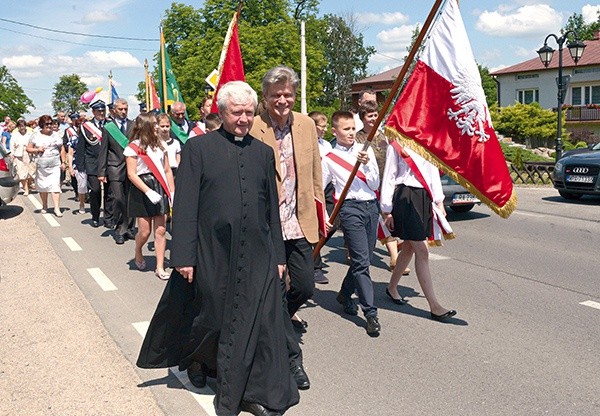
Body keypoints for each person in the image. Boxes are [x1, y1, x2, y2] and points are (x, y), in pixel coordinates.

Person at [137, 81, 299, 416]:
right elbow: (185, 205)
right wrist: (183, 254)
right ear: (222, 112)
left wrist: (279, 257)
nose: (243, 119)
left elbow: (271, 209)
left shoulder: (263, 152)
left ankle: (249, 391)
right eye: (237, 112)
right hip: (213, 250)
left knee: (258, 322)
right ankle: (197, 358)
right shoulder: (198, 149)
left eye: (249, 113)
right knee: (211, 316)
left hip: (257, 252)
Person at [250, 65, 323, 388]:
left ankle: (275, 321)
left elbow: (315, 174)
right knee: (274, 293)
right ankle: (293, 361)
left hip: (299, 221)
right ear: (264, 98)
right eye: (276, 95)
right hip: (266, 227)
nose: (283, 100)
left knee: (304, 287)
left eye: (288, 94)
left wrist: (322, 213)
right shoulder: (253, 128)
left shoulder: (306, 125)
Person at [380, 140, 457, 321]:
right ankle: (434, 306)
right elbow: (389, 176)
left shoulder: (428, 141)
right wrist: (386, 210)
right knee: (421, 250)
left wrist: (439, 201)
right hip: (405, 196)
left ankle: (392, 287)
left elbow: (433, 173)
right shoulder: (396, 144)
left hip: (423, 197)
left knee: (408, 247)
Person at [322, 110, 381, 336]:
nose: (351, 133)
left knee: (362, 259)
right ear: (334, 131)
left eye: (353, 129)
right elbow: (320, 188)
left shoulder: (365, 151)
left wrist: (367, 165)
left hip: (371, 207)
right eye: (346, 129)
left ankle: (345, 293)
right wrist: (324, 217)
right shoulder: (329, 159)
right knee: (362, 263)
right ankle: (370, 313)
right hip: (350, 209)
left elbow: (375, 183)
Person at [355, 100, 410, 276]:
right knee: (383, 218)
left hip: (387, 183)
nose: (373, 119)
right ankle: (394, 257)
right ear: (362, 118)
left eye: (375, 115)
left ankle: (395, 249)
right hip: (368, 185)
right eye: (369, 116)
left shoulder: (386, 135)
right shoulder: (358, 138)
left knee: (389, 217)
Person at [124, 112, 174, 280]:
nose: (157, 126)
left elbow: (167, 171)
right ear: (145, 126)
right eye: (154, 124)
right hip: (143, 189)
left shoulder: (161, 145)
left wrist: (172, 192)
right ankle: (138, 250)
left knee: (161, 230)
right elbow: (132, 174)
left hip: (159, 187)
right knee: (144, 232)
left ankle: (160, 267)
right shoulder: (133, 147)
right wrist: (147, 191)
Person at [97, 98, 136, 244]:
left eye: (126, 109)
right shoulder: (109, 127)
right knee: (118, 199)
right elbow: (103, 151)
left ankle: (130, 227)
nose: (124, 112)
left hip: (132, 167)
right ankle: (119, 229)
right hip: (114, 168)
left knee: (131, 198)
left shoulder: (134, 125)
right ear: (114, 110)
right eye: (121, 109)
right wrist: (101, 172)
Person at [308, 110, 331, 285]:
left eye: (326, 126)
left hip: (327, 190)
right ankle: (314, 265)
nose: (324, 129)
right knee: (315, 229)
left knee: (330, 225)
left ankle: (313, 257)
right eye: (321, 126)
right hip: (310, 190)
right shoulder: (306, 143)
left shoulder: (326, 146)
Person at [78, 99, 110, 228]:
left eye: (103, 111)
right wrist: (80, 165)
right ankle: (95, 215)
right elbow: (81, 147)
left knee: (109, 192)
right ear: (93, 112)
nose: (101, 113)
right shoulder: (86, 127)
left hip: (108, 161)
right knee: (95, 190)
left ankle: (108, 217)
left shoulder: (110, 124)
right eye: (99, 111)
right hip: (92, 162)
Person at [26, 114, 66, 216]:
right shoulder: (35, 135)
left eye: (50, 123)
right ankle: (44, 205)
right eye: (47, 124)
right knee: (43, 186)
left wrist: (63, 162)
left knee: (55, 186)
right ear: (42, 125)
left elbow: (62, 149)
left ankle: (57, 208)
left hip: (55, 164)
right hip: (41, 165)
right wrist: (37, 149)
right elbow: (28, 148)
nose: (49, 126)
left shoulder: (56, 135)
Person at [66, 113, 87, 214]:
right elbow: (70, 153)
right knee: (82, 185)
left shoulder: (92, 137)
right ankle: (82, 203)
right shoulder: (74, 138)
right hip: (78, 164)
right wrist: (70, 167)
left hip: (91, 164)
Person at [10, 119, 34, 195]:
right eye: (20, 126)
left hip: (29, 154)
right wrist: (12, 154)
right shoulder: (15, 134)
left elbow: (34, 143)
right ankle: (26, 189)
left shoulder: (30, 134)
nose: (22, 128)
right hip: (18, 154)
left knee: (30, 173)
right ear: (18, 127)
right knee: (21, 173)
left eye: (23, 126)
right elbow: (12, 145)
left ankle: (29, 184)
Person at [157, 113, 181, 179]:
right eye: (162, 126)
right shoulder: (155, 143)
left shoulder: (176, 143)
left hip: (174, 171)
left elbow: (178, 159)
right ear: (157, 126)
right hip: (161, 171)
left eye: (167, 126)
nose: (165, 129)